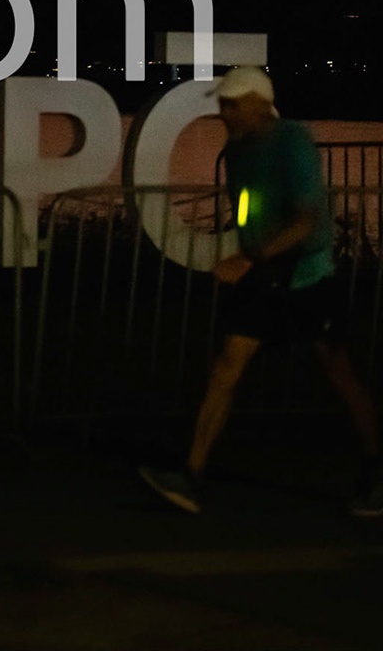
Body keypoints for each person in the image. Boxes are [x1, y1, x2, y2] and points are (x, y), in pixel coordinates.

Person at [140, 66, 381, 516]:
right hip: (264, 276)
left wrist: (249, 257)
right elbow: (249, 207)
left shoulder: (292, 140)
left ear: (258, 103)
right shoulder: (237, 151)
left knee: (339, 373)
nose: (223, 111)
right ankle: (191, 476)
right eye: (222, 103)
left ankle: (376, 468)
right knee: (226, 366)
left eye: (231, 104)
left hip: (308, 277)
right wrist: (247, 250)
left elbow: (307, 219)